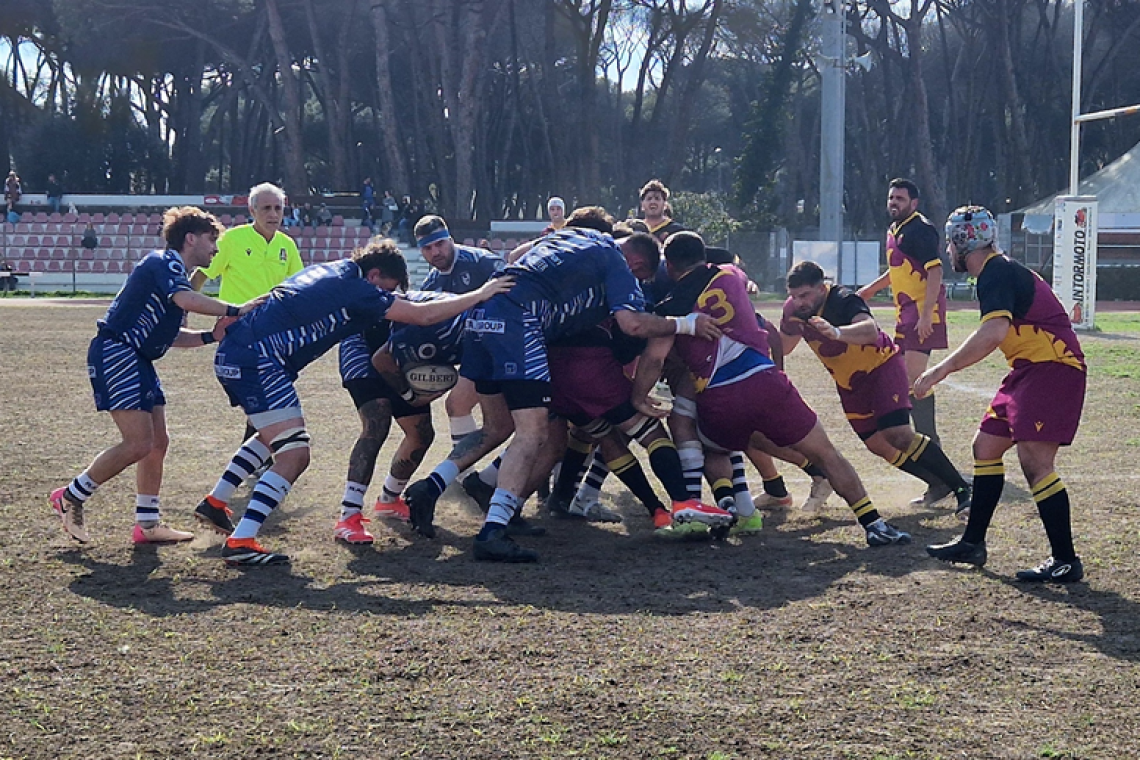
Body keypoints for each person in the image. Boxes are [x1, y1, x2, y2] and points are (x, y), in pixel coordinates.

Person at [403, 206, 728, 563]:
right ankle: (493, 530)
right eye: (641, 278)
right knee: (533, 434)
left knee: (497, 428)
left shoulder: (570, 235)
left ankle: (429, 487)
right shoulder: (613, 259)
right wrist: (684, 325)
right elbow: (632, 324)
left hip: (483, 317)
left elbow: (518, 256)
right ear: (636, 266)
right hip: (521, 323)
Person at [193, 240, 514, 566]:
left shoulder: (328, 269)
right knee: (295, 453)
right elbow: (423, 315)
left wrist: (239, 317)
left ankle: (215, 503)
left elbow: (274, 295)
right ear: (373, 274)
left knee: (269, 433)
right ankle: (242, 541)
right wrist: (480, 294)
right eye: (386, 291)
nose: (386, 300)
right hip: (259, 360)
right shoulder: (357, 288)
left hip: (240, 352)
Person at [633, 231, 913, 549]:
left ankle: (710, 507)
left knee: (707, 443)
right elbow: (766, 327)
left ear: (668, 266)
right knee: (826, 453)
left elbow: (654, 357)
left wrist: (638, 396)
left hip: (719, 397)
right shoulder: (731, 275)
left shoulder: (672, 306)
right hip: (765, 380)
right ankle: (874, 524)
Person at [47, 207, 262, 546]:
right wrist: (237, 309)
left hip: (138, 359)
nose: (216, 250)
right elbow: (185, 298)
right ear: (190, 238)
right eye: (211, 240)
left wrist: (212, 336)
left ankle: (147, 525)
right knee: (139, 443)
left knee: (157, 443)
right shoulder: (165, 264)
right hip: (118, 352)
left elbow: (174, 336)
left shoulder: (175, 278)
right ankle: (71, 495)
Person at [917, 206, 1087, 582]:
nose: (947, 250)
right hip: (1029, 369)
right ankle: (972, 543)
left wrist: (941, 369)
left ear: (963, 241)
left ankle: (1065, 560)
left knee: (1036, 463)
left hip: (1053, 369)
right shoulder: (995, 271)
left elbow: (993, 334)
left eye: (950, 241)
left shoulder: (996, 271)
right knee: (986, 447)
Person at [781, 260, 971, 511]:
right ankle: (938, 484)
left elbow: (870, 330)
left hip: (881, 368)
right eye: (793, 296)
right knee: (877, 444)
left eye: (804, 295)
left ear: (821, 288)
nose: (799, 302)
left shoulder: (842, 299)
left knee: (897, 434)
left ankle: (962, 489)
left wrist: (837, 332)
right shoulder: (795, 310)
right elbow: (784, 347)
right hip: (850, 383)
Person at [857, 179, 951, 506]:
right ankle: (937, 468)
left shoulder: (919, 229)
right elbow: (897, 270)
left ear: (914, 201)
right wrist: (870, 290)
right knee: (911, 383)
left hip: (919, 314)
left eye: (900, 198)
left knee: (913, 384)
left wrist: (926, 315)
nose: (893, 202)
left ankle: (938, 474)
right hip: (905, 313)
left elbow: (936, 273)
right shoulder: (897, 229)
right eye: (891, 197)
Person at [414, 214, 506, 449]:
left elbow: (516, 294)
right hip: (478, 356)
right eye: (428, 248)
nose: (436, 252)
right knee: (459, 406)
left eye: (440, 244)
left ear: (451, 239)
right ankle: (466, 479)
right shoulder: (431, 285)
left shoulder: (482, 263)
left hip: (508, 349)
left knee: (523, 420)